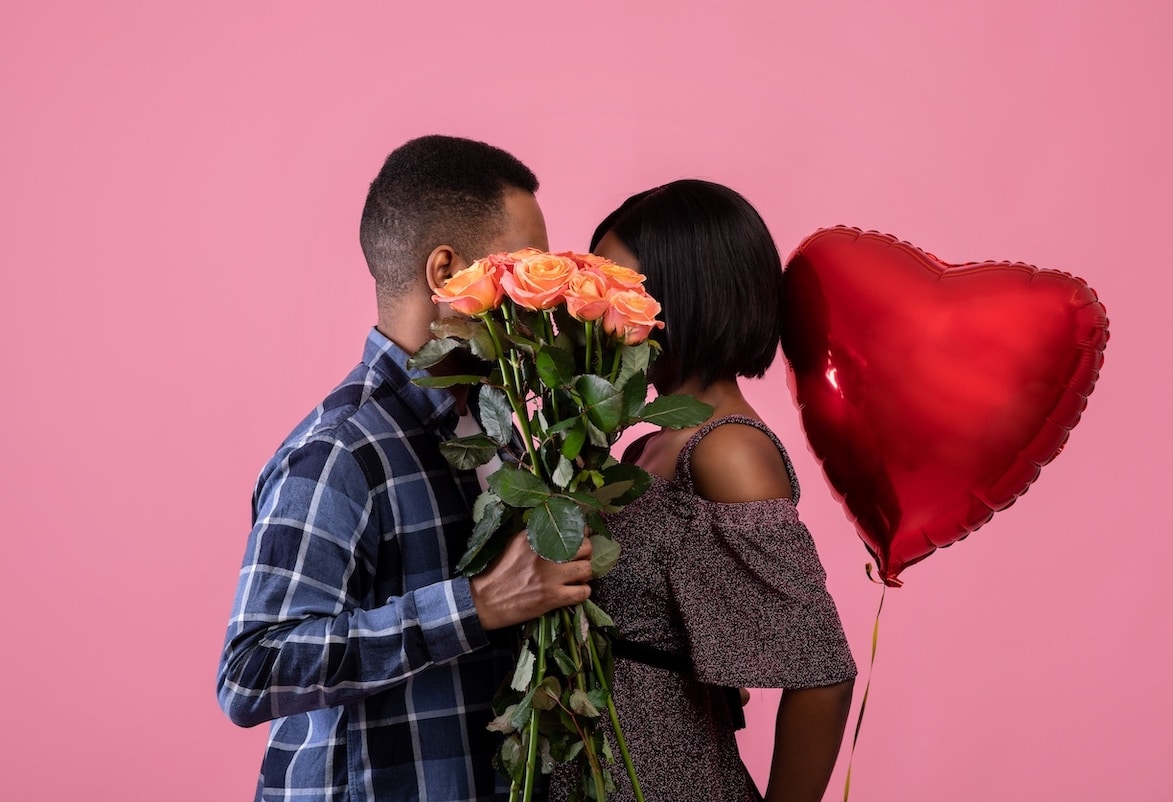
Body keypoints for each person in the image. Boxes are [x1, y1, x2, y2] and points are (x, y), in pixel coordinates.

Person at [217, 135, 595, 802]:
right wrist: (473, 606)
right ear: (446, 272)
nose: (542, 296)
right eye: (525, 268)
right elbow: (251, 672)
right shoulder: (339, 450)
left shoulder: (499, 430)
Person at [552, 180, 857, 802]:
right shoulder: (649, 443)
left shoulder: (727, 451)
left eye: (616, 284)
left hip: (666, 781)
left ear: (683, 292)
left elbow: (823, 673)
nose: (592, 305)